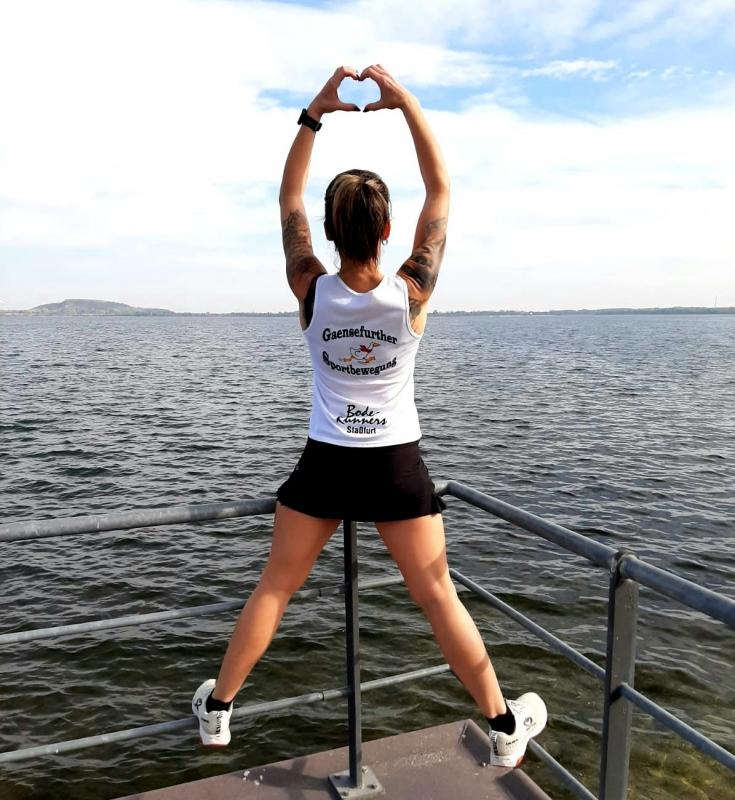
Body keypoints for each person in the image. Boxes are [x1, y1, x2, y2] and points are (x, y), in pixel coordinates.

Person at [192, 64, 547, 768]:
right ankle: (504, 725)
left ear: (328, 231)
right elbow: (440, 190)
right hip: (394, 467)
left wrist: (314, 113)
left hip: (325, 463)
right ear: (387, 229)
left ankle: (219, 710)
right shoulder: (412, 291)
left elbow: (287, 197)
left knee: (276, 586)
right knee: (438, 595)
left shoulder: (309, 288)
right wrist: (406, 103)